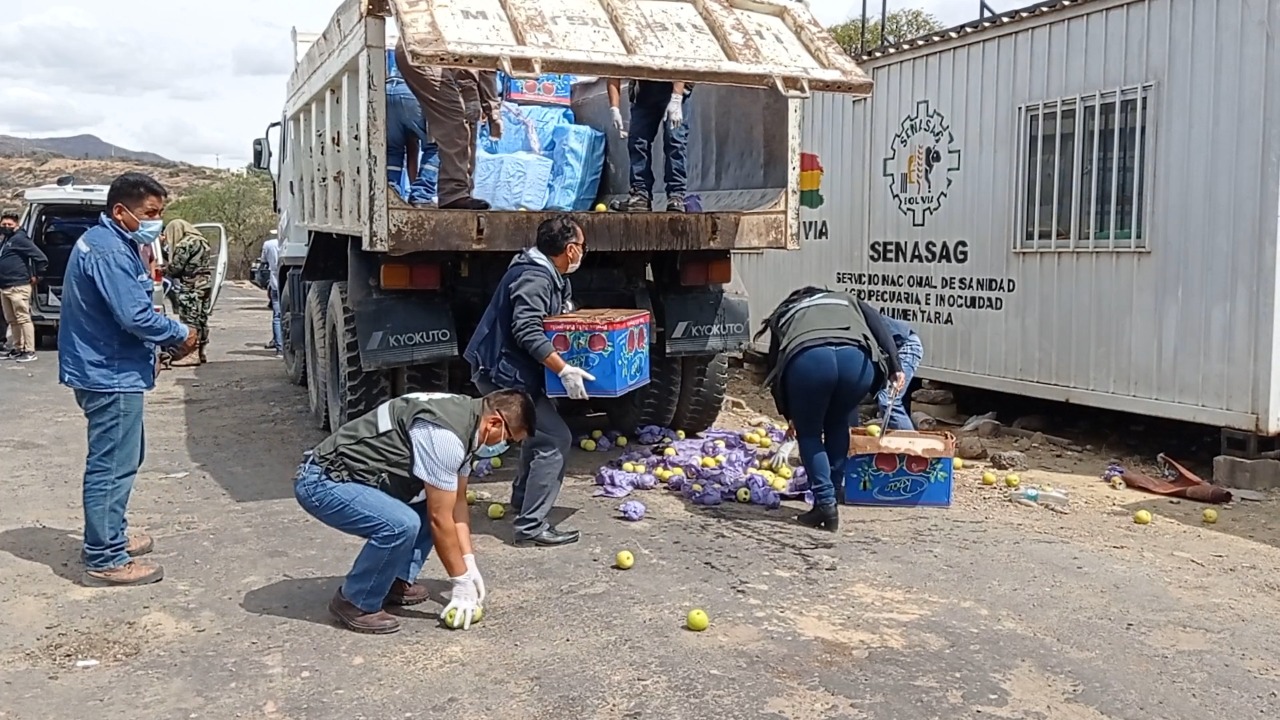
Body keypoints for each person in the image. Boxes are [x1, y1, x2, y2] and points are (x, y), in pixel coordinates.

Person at [295, 389, 536, 633]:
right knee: (402, 524)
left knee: (438, 500)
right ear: (494, 423)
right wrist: (460, 581)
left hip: (355, 477)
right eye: (508, 439)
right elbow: (440, 520)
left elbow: (457, 504)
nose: (504, 446)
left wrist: (468, 562)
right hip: (323, 481)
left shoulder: (468, 426)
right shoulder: (446, 435)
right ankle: (354, 601)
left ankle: (392, 580)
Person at [59, 172, 197, 587]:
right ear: (121, 211)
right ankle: (105, 556)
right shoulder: (107, 252)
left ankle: (110, 536)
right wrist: (180, 333)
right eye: (150, 213)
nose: (156, 220)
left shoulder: (113, 243)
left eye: (160, 213)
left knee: (124, 458)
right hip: (109, 373)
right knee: (112, 465)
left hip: (110, 367)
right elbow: (135, 316)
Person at [463, 216, 594, 547]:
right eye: (582, 247)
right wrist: (563, 369)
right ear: (571, 249)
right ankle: (531, 526)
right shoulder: (534, 277)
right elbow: (527, 330)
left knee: (536, 432)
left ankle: (522, 501)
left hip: (512, 372)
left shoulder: (546, 274)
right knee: (554, 439)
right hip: (502, 374)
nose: (583, 254)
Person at [756, 287, 904, 531]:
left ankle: (825, 504)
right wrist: (895, 367)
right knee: (838, 424)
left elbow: (774, 366)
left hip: (809, 360)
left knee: (810, 433)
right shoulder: (846, 300)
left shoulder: (787, 311)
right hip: (857, 360)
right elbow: (878, 326)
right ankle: (833, 496)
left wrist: (790, 413)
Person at [395, 40, 501, 210]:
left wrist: (485, 106)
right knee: (455, 122)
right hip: (426, 52)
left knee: (466, 122)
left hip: (435, 55)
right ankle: (453, 195)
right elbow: (484, 67)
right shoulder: (490, 32)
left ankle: (461, 193)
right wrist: (492, 111)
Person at [607, 79, 692, 212]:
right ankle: (640, 195)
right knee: (637, 141)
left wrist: (676, 98)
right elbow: (612, 72)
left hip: (673, 86)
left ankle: (676, 196)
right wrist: (614, 108)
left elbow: (681, 62)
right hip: (644, 90)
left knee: (675, 140)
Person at [386, 49, 439, 206]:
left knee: (393, 150)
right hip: (410, 90)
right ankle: (422, 194)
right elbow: (412, 156)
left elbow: (412, 155)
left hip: (387, 90)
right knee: (436, 145)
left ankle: (390, 195)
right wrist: (417, 197)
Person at [862, 305, 925, 430]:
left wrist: (896, 369)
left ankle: (910, 446)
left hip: (904, 345)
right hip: (889, 351)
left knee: (888, 400)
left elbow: (888, 343)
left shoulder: (855, 313)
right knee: (884, 400)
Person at [161, 220, 214, 366]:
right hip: (205, 283)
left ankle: (191, 354)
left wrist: (163, 270)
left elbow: (176, 268)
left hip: (191, 285)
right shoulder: (202, 241)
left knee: (189, 319)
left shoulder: (185, 244)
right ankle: (201, 351)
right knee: (201, 318)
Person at [0, 211, 48, 362]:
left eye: (9, 224)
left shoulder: (20, 239)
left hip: (18, 285)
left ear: (17, 225)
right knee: (12, 320)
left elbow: (41, 258)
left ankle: (29, 350)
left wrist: (38, 276)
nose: (6, 227)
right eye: (4, 224)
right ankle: (18, 348)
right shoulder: (7, 240)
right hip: (5, 286)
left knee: (23, 319)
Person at [258, 232, 283, 356]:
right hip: (286, 281)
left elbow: (264, 261)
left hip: (274, 282)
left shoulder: (268, 244)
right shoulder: (288, 242)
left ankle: (279, 347)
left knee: (277, 316)